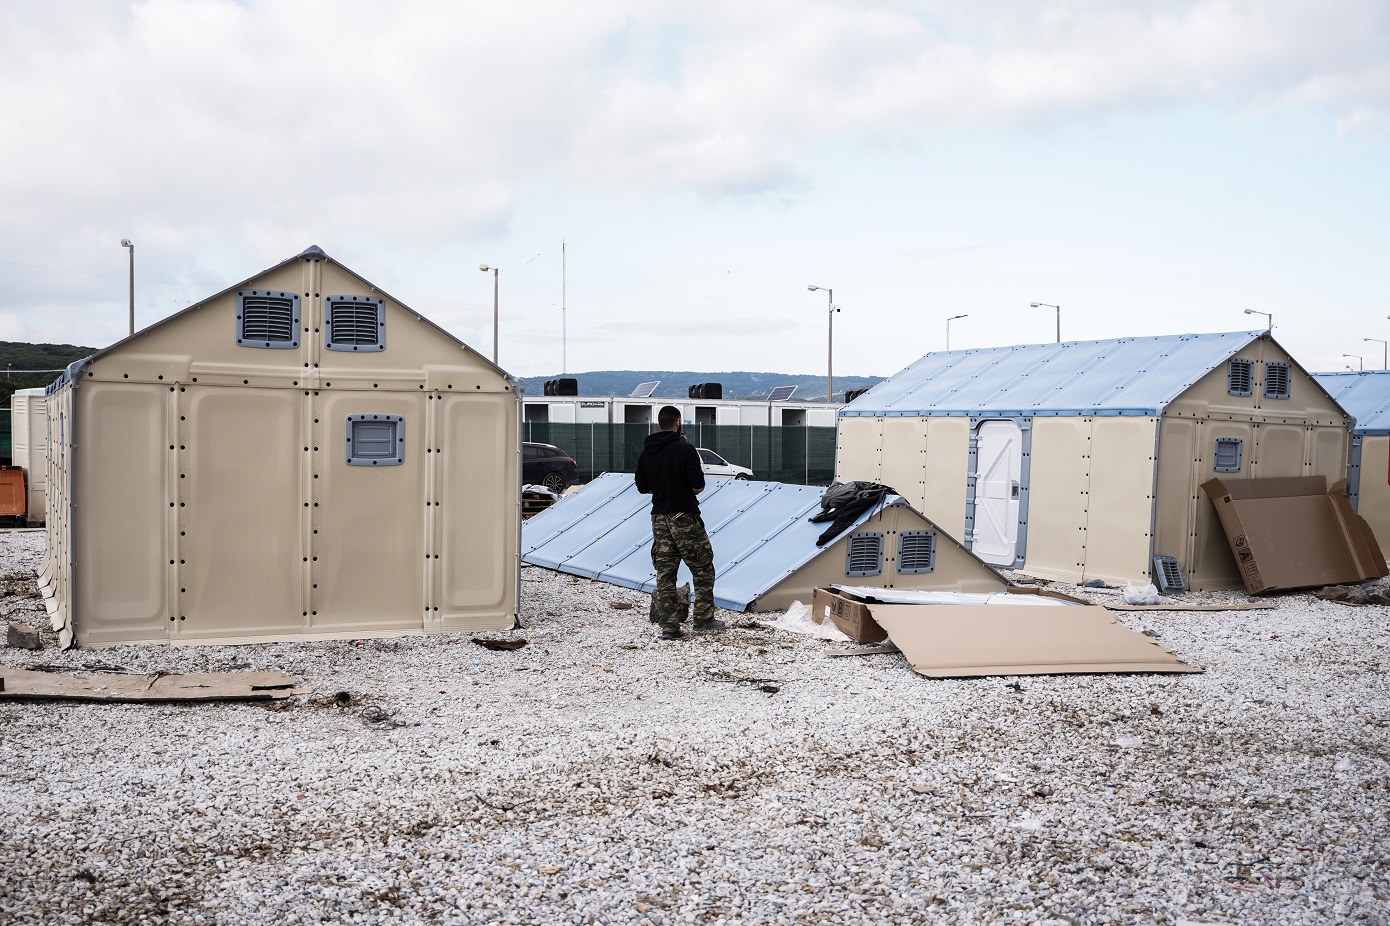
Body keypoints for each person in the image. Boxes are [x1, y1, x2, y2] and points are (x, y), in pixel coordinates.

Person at [634, 406, 722, 640]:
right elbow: (698, 486)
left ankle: (669, 628)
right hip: (684, 517)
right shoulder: (685, 450)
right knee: (702, 568)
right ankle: (703, 619)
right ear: (678, 422)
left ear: (659, 423)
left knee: (665, 573)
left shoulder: (645, 453)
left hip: (659, 519)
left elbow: (643, 487)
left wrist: (663, 487)